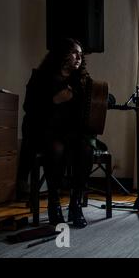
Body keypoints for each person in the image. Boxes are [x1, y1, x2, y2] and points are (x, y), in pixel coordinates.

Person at [19, 38, 94, 228]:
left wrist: (105, 98)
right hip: (45, 131)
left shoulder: (82, 80)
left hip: (72, 133)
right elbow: (28, 107)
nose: (79, 57)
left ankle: (75, 204)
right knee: (55, 148)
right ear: (62, 55)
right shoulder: (40, 77)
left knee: (86, 149)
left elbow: (100, 96)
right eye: (74, 52)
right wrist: (54, 100)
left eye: (80, 53)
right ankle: (54, 203)